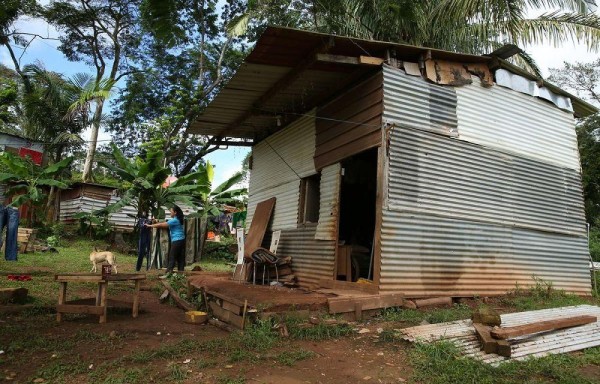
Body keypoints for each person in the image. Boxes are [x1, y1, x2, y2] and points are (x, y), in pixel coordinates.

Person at [145, 205, 185, 277]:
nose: (170, 213)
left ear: (175, 212)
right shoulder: (177, 219)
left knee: (172, 257)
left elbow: (161, 225)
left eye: (171, 211)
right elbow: (166, 222)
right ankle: (181, 274)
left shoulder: (174, 220)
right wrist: (156, 220)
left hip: (177, 241)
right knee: (180, 258)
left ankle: (167, 274)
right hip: (181, 240)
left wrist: (149, 226)